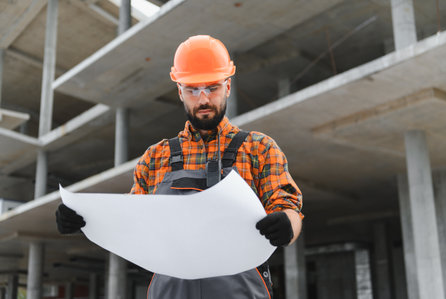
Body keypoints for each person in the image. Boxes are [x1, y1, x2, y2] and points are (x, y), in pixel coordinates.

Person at [56, 35, 303, 299]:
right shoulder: (155, 157)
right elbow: (132, 222)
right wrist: (84, 219)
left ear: (228, 86)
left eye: (212, 87)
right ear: (179, 91)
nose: (203, 99)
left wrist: (287, 225)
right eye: (192, 90)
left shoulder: (259, 148)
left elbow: (289, 209)